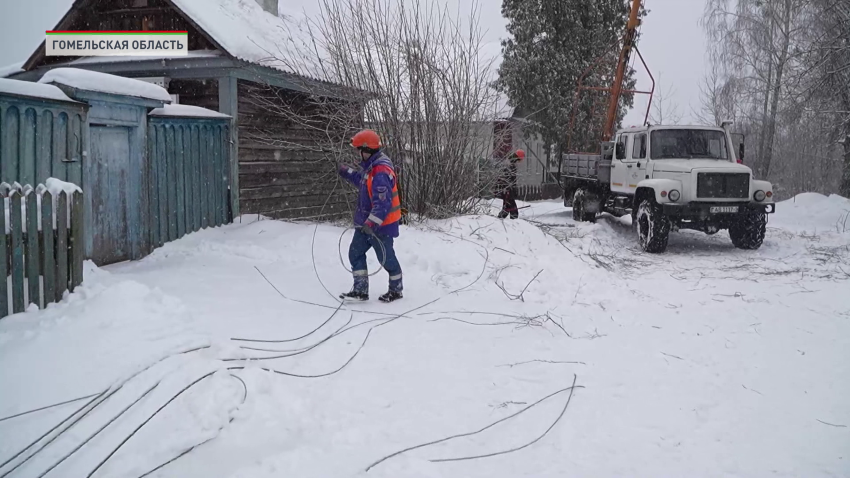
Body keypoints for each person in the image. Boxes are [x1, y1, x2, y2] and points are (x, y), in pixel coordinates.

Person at [338, 129, 404, 303]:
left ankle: (396, 290)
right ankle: (360, 291)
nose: (357, 153)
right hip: (365, 223)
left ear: (366, 150)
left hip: (381, 226)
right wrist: (346, 172)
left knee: (386, 259)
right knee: (355, 253)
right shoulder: (371, 167)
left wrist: (371, 223)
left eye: (359, 150)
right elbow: (362, 180)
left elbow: (382, 204)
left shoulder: (380, 171)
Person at [496, 149, 525, 219]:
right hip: (507, 190)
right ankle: (513, 221)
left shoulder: (509, 162)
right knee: (513, 209)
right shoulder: (511, 165)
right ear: (518, 158)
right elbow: (509, 179)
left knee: (507, 208)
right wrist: (510, 190)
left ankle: (499, 219)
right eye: (520, 160)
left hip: (506, 189)